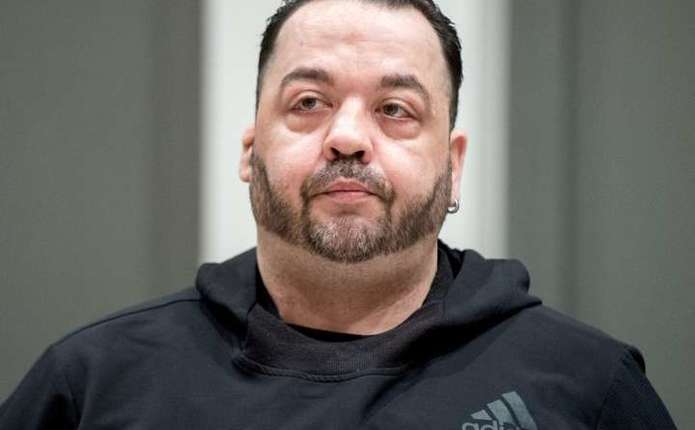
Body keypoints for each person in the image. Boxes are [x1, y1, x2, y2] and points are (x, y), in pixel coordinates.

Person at [0, 0, 676, 428]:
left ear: (453, 165)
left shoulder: (586, 386)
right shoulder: (92, 383)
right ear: (250, 150)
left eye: (395, 110)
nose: (347, 137)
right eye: (308, 103)